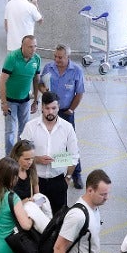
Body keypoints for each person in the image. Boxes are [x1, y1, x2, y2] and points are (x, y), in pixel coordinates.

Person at [19, 94, 79, 214]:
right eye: (47, 108)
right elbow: (20, 154)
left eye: (53, 108)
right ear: (42, 107)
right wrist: (37, 159)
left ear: (58, 107)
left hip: (58, 182)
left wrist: (67, 178)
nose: (50, 112)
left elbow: (74, 156)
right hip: (36, 182)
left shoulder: (67, 128)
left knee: (58, 217)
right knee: (36, 215)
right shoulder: (31, 127)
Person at [40, 45, 85, 182]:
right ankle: (56, 172)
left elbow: (79, 92)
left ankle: (76, 173)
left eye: (60, 57)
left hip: (66, 111)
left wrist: (71, 109)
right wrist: (44, 91)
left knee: (70, 142)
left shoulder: (76, 71)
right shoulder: (48, 68)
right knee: (52, 140)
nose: (56, 60)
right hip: (50, 112)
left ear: (67, 57)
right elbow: (40, 84)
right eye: (55, 57)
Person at [0, 33, 43, 155]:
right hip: (10, 100)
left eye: (35, 46)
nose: (33, 49)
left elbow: (36, 80)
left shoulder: (37, 59)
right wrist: (4, 103)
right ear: (22, 46)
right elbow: (2, 81)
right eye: (30, 47)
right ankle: (9, 158)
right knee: (10, 131)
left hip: (25, 100)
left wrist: (36, 101)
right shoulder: (12, 58)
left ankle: (20, 156)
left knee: (24, 131)